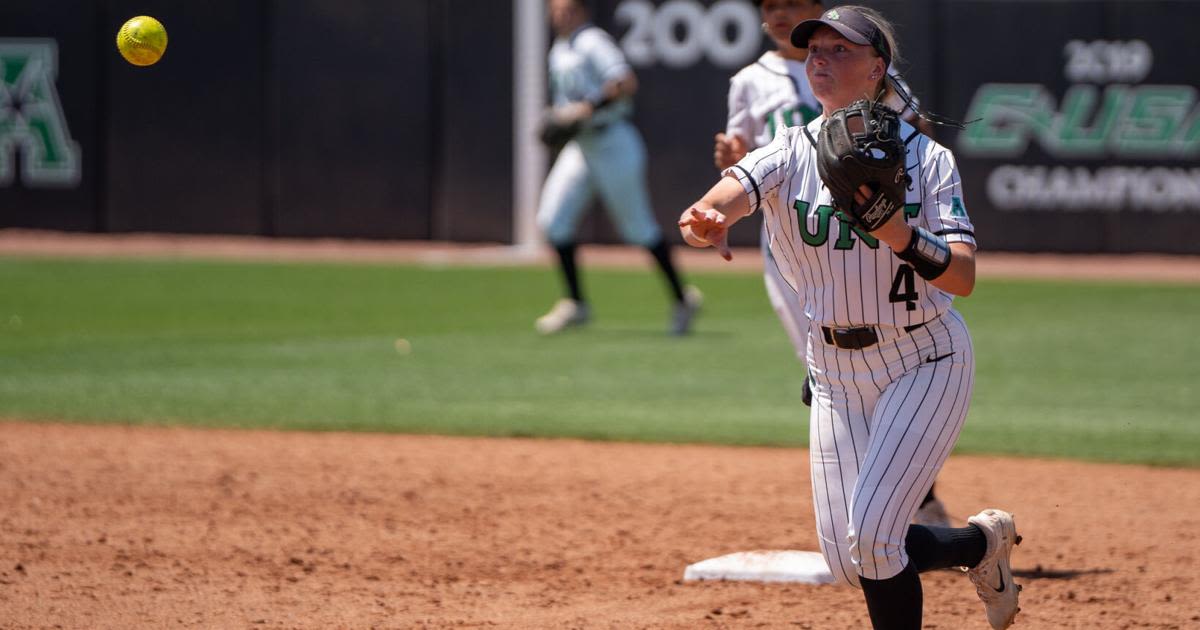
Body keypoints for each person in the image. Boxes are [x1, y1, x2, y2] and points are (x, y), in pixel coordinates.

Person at [681, 6, 1021, 629]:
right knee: (851, 559)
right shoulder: (790, 148)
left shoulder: (929, 159)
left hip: (924, 357)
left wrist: (900, 235)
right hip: (834, 371)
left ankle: (970, 550)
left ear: (877, 69)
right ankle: (981, 545)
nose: (821, 58)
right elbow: (726, 192)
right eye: (816, 49)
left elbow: (963, 277)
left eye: (842, 50)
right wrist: (708, 218)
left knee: (875, 540)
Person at [716, 0, 950, 528]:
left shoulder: (860, 67)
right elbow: (741, 162)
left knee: (880, 363)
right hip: (795, 245)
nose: (779, 14)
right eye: (769, 6)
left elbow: (920, 139)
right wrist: (728, 161)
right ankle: (884, 505)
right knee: (825, 370)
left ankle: (904, 497)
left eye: (792, 3)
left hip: (869, 243)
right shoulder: (750, 81)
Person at [534, 0, 702, 336]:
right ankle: (576, 303)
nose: (559, 17)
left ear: (581, 10)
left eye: (566, 10)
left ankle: (683, 299)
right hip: (582, 146)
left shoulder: (592, 41)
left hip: (613, 141)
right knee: (553, 223)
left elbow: (625, 82)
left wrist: (587, 107)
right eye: (554, 11)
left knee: (639, 229)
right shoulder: (561, 46)